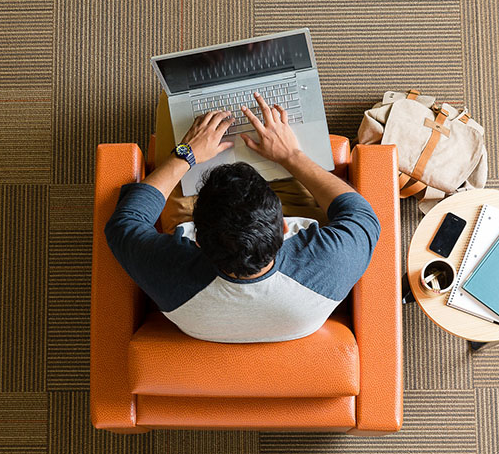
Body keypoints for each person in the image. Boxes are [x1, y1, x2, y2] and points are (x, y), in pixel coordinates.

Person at [105, 92, 380, 343]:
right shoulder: (328, 262)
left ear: (197, 239)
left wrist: (186, 155)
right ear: (285, 227)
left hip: (199, 296)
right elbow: (361, 213)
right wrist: (291, 155)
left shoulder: (170, 273)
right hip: (292, 228)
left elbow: (125, 221)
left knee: (171, 102)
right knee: (289, 122)